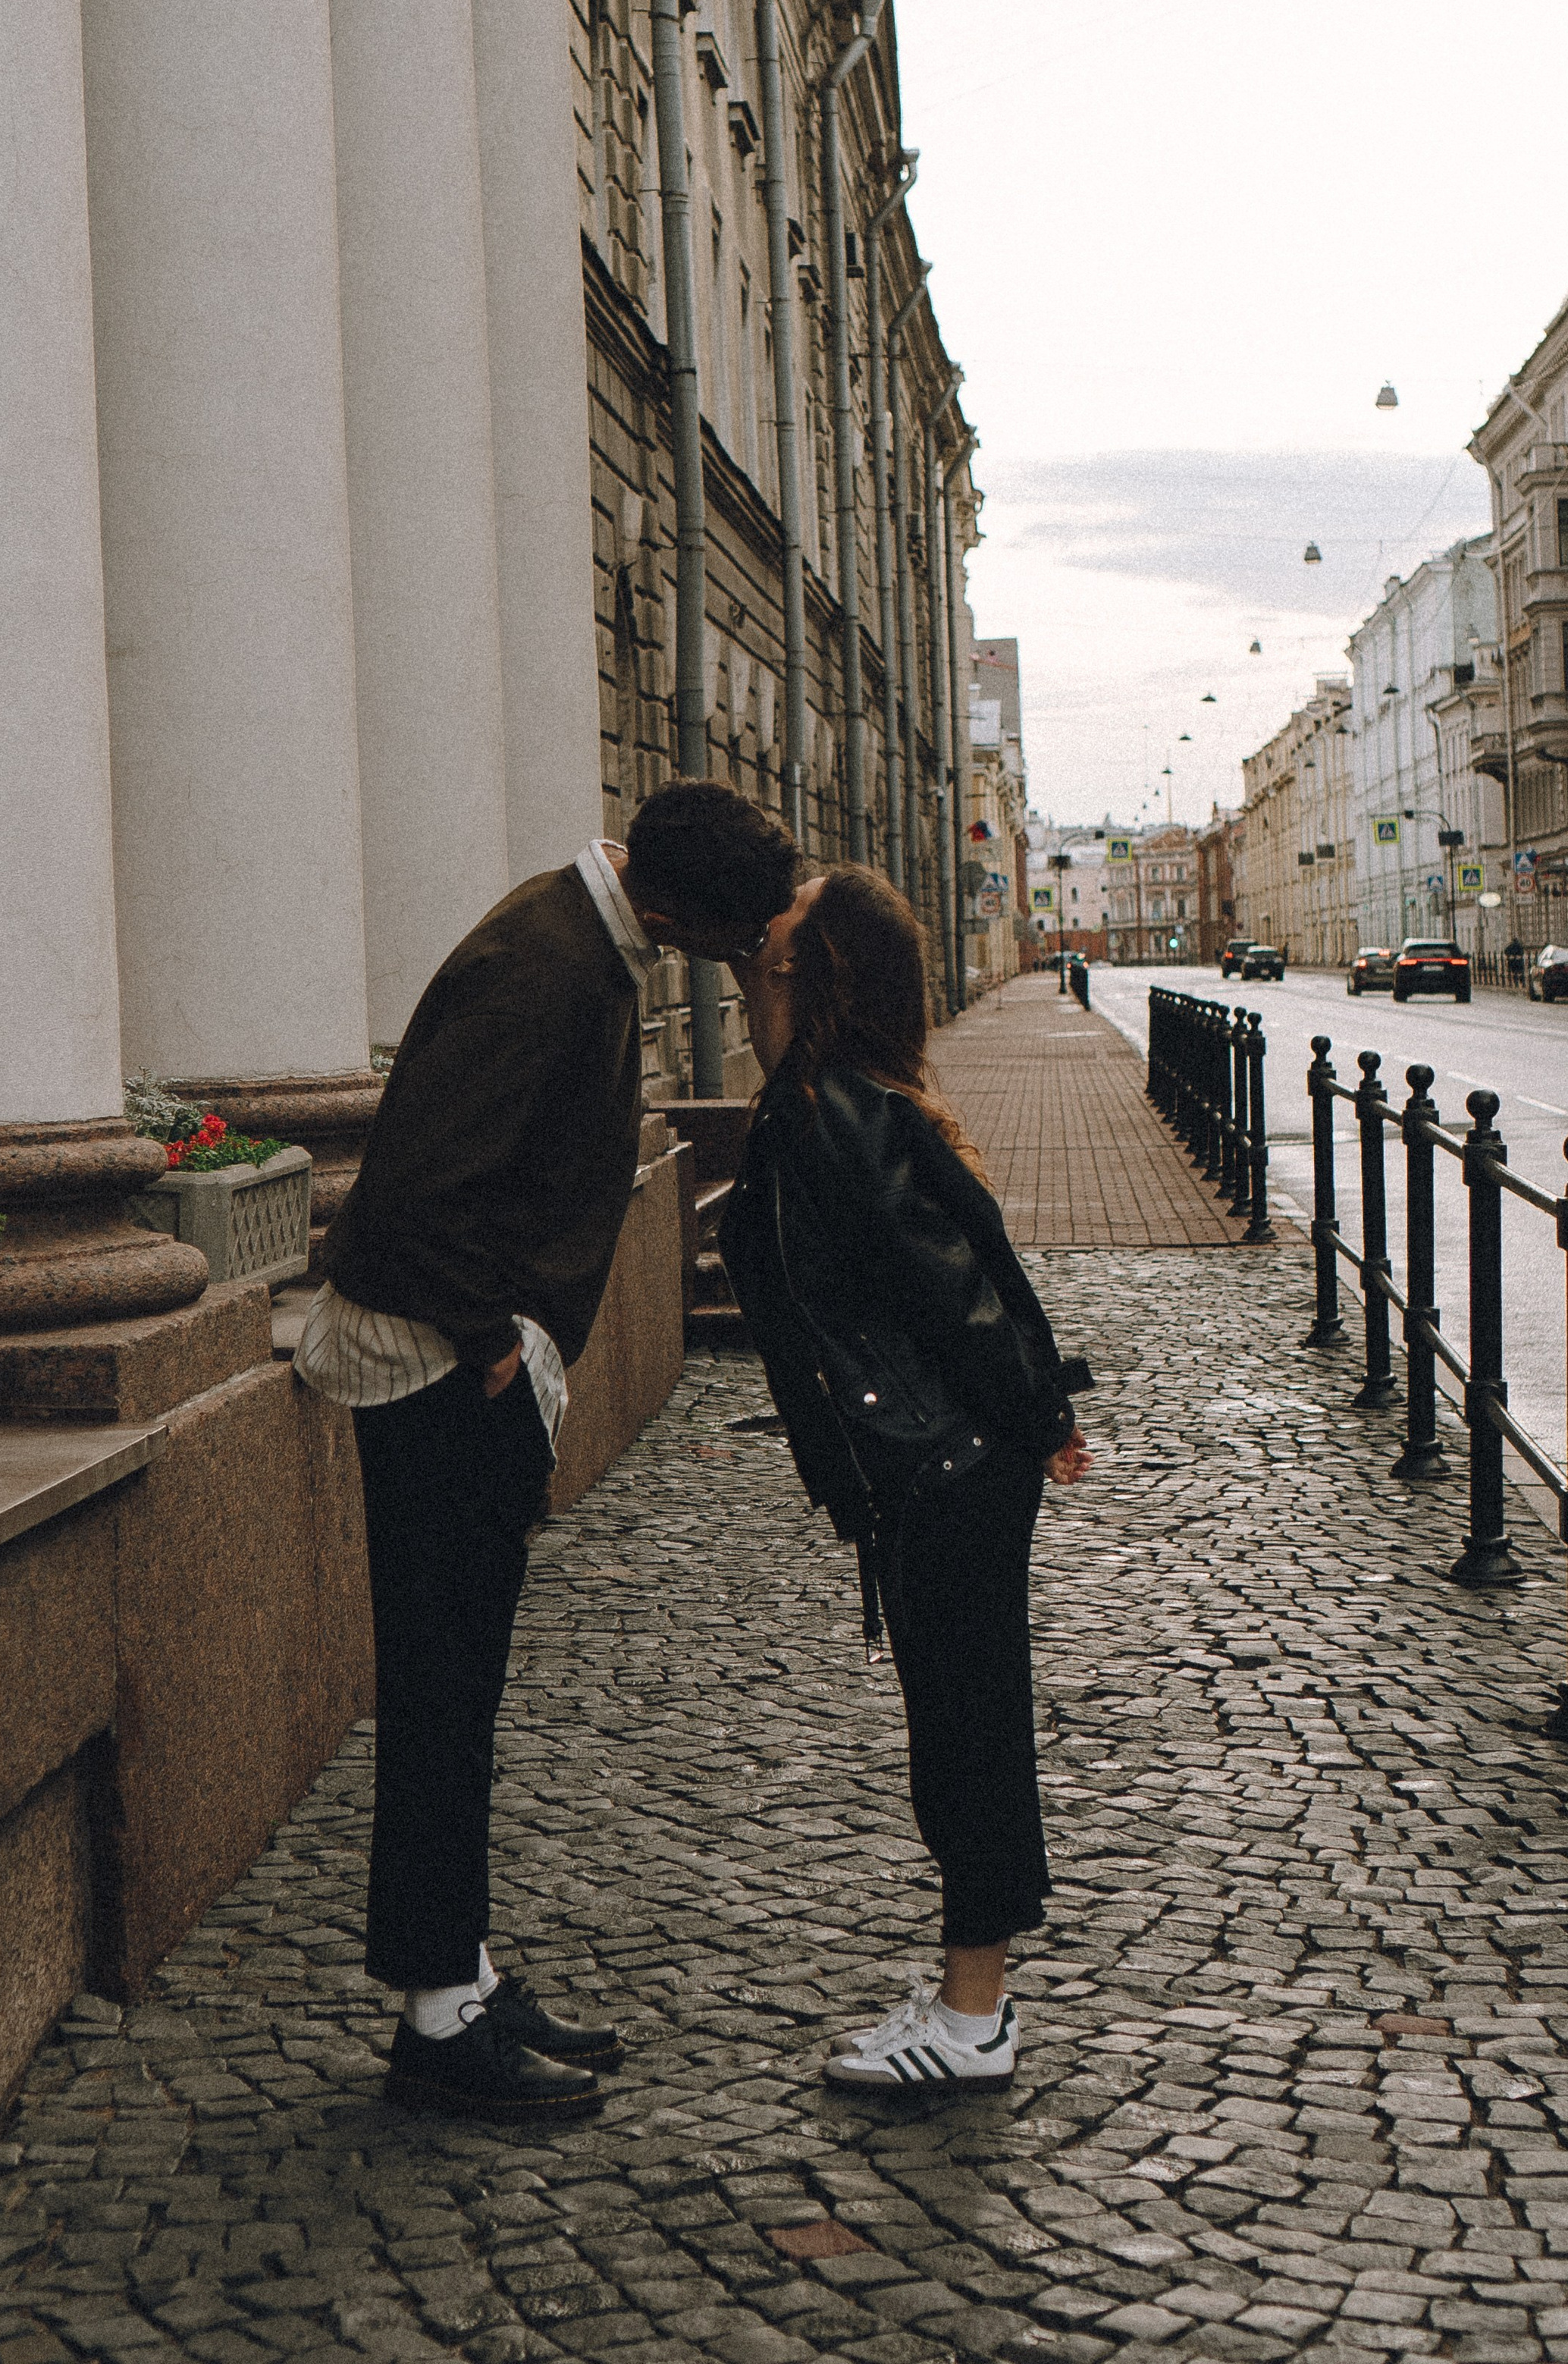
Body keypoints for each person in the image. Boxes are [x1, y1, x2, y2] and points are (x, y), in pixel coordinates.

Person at [297, 781, 798, 2123]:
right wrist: (490, 1343)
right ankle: (438, 2021)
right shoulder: (547, 966)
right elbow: (417, 1187)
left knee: (457, 1698)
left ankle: (456, 1973)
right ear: (675, 904)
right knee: (441, 1699)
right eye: (730, 936)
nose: (732, 960)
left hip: (460, 1362)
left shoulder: (583, 940)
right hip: (438, 1373)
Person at [719, 865, 1093, 2097]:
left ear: (808, 963)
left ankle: (974, 2018)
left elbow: (959, 1291)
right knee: (958, 1733)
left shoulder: (832, 1111)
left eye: (790, 905)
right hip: (939, 1461)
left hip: (946, 1465)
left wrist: (1038, 1417)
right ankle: (966, 1998)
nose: (771, 907)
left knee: (969, 1740)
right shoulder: (827, 1097)